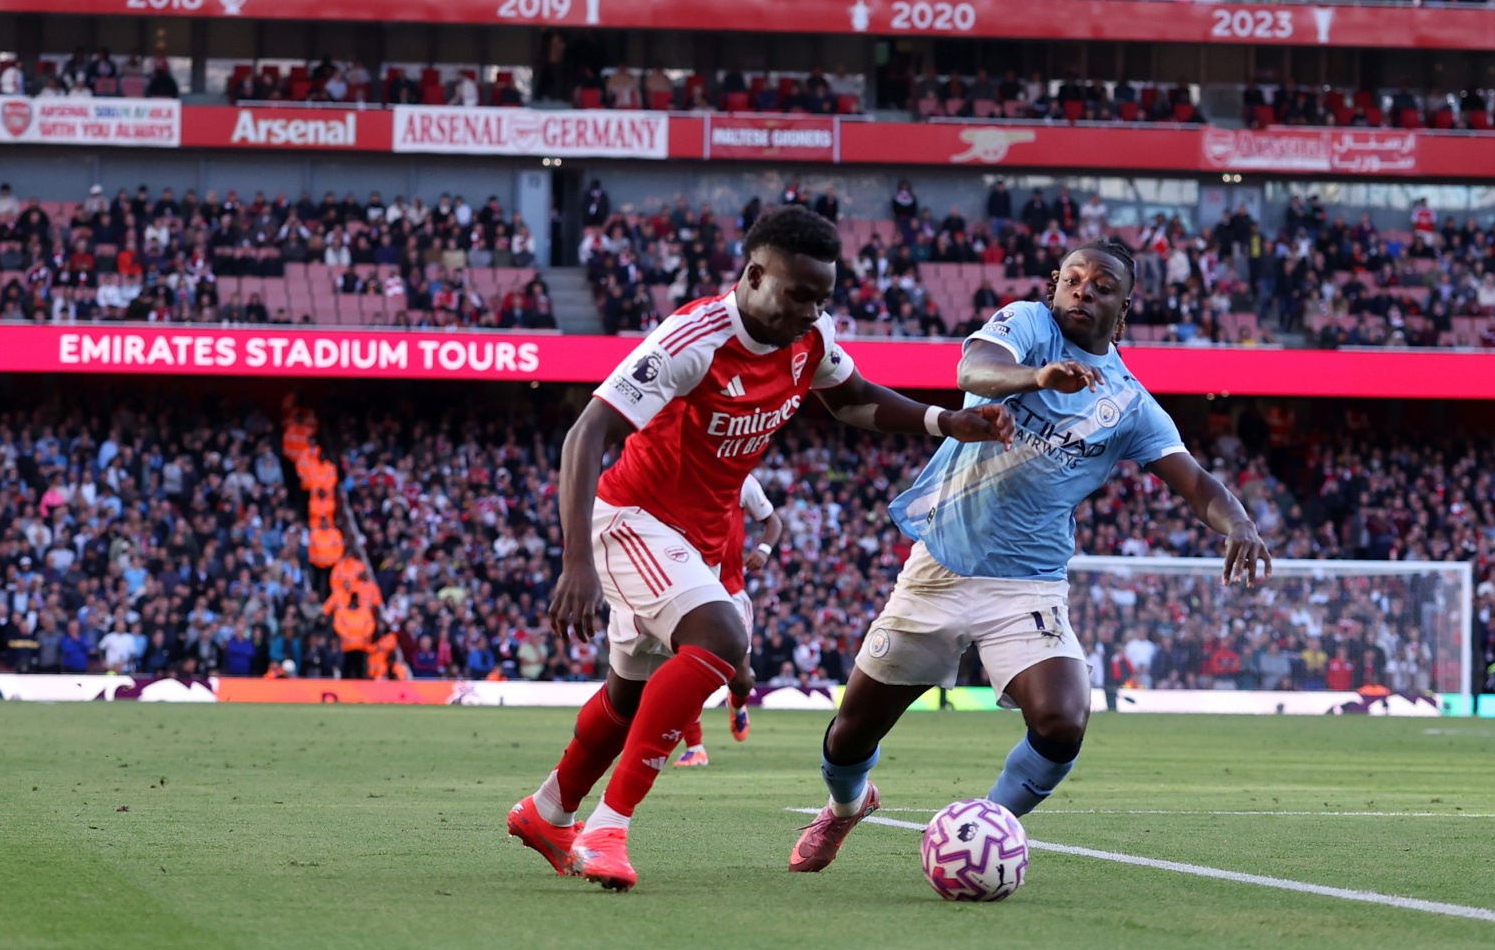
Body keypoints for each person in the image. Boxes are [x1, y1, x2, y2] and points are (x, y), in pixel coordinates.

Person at [506, 207, 1013, 891]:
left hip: (703, 539)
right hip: (633, 517)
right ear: (752, 276)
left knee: (629, 699)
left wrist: (944, 419)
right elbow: (586, 433)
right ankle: (607, 830)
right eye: (797, 294)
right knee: (721, 638)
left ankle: (548, 811)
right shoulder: (694, 339)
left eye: (821, 298)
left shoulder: (811, 338)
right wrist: (575, 562)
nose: (810, 311)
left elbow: (853, 399)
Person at [787, 240, 1268, 872]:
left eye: (1100, 286)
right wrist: (1035, 377)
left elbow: (1194, 479)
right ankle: (846, 807)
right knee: (852, 734)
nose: (1082, 292)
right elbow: (974, 373)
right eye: (1072, 280)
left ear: (1123, 308)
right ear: (1055, 285)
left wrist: (1236, 521)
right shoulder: (1027, 325)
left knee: (1063, 719)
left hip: (1027, 586)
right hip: (939, 570)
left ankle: (983, 832)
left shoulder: (1129, 403)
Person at [672, 473, 784, 768]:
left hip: (732, 593)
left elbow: (774, 521)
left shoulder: (741, 479)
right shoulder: (678, 479)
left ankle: (737, 703)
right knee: (686, 672)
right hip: (691, 592)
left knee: (741, 677)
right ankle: (695, 747)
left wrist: (763, 549)